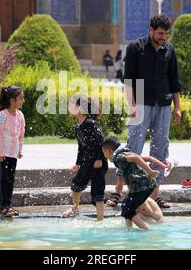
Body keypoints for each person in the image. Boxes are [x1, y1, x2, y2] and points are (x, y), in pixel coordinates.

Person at [107, 14, 181, 209]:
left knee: (160, 148)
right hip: (140, 103)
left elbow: (174, 81)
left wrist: (178, 108)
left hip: (163, 104)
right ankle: (118, 192)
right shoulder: (135, 48)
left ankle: (154, 195)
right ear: (151, 30)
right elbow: (128, 80)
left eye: (166, 34)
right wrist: (131, 104)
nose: (163, 37)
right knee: (133, 147)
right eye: (160, 33)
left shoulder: (170, 50)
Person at [102, 136, 168, 230]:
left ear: (108, 150)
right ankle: (129, 228)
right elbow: (149, 158)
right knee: (127, 207)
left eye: (103, 152)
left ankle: (145, 230)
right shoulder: (126, 153)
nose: (104, 155)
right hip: (149, 185)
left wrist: (150, 171)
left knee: (127, 209)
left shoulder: (119, 157)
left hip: (140, 186)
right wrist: (163, 166)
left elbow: (136, 158)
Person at [62, 94, 108, 221]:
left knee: (97, 191)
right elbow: (81, 147)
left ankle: (100, 219)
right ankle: (75, 208)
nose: (69, 108)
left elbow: (100, 141)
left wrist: (99, 159)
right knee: (76, 185)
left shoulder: (90, 123)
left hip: (98, 162)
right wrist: (78, 163)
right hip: (87, 161)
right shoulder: (79, 126)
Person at [0, 86, 25, 217]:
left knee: (11, 179)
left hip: (13, 154)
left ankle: (9, 205)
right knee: (4, 179)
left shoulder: (20, 115)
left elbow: (21, 133)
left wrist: (20, 150)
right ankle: (4, 206)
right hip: (3, 154)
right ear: (12, 100)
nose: (23, 101)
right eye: (20, 98)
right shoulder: (2, 115)